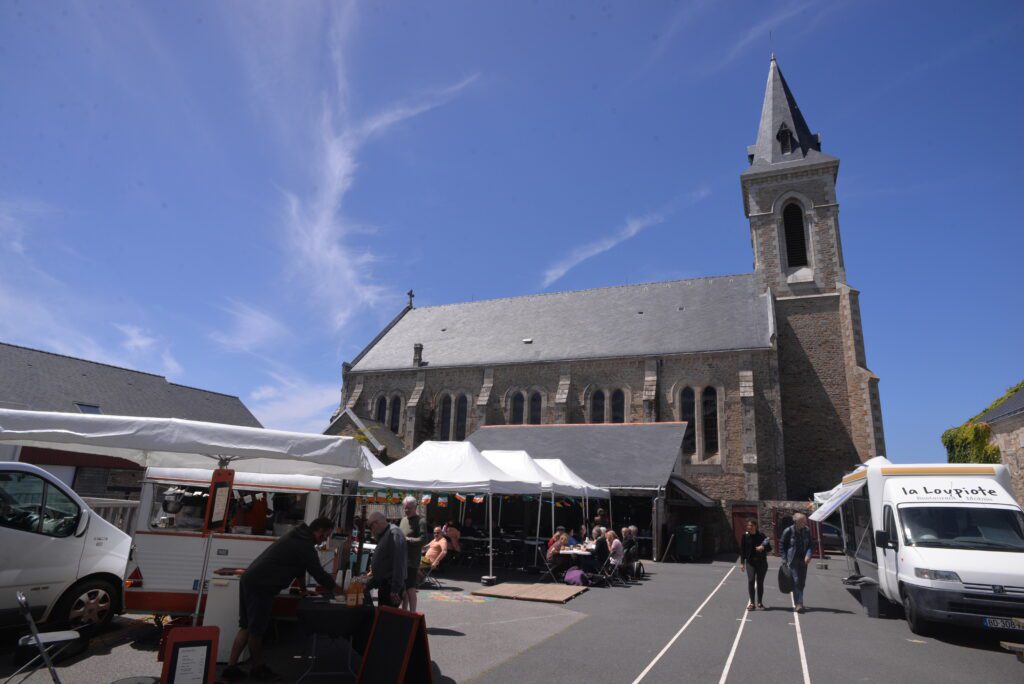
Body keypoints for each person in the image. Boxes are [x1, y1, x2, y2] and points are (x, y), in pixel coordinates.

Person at [224, 517, 342, 682]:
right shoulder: (304, 544)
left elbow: (300, 567)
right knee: (256, 630)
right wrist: (339, 591)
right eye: (326, 536)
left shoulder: (298, 536)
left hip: (250, 579)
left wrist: (303, 590)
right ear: (320, 531)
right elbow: (318, 573)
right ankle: (258, 669)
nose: (324, 540)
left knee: (246, 626)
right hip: (261, 585)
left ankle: (230, 668)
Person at [362, 512, 407, 609]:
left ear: (375, 524)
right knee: (382, 615)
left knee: (387, 616)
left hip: (390, 588)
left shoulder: (394, 533)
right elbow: (384, 563)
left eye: (370, 527)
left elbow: (399, 562)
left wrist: (395, 589)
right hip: (385, 586)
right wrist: (369, 584)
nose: (371, 530)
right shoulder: (386, 534)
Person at [399, 496, 428, 612]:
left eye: (409, 508)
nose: (406, 510)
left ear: (415, 507)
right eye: (405, 508)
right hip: (401, 559)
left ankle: (412, 614)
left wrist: (408, 540)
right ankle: (404, 612)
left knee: (410, 587)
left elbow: (424, 539)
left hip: (412, 560)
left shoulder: (421, 521)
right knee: (403, 588)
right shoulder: (403, 520)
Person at [780, 512, 813, 612]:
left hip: (803, 560)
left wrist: (808, 554)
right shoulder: (788, 531)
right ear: (796, 521)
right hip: (792, 559)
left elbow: (810, 544)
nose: (805, 522)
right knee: (796, 580)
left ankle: (799, 602)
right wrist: (784, 559)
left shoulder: (807, 530)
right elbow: (782, 545)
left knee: (802, 582)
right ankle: (799, 604)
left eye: (805, 520)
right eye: (803, 521)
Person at [739, 518, 770, 610]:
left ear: (755, 526)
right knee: (751, 580)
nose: (749, 527)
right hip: (750, 562)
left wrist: (762, 547)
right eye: (748, 525)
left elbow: (769, 548)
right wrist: (742, 563)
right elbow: (742, 550)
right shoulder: (745, 536)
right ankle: (752, 603)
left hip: (761, 562)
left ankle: (760, 603)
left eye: (751, 525)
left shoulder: (761, 535)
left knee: (760, 582)